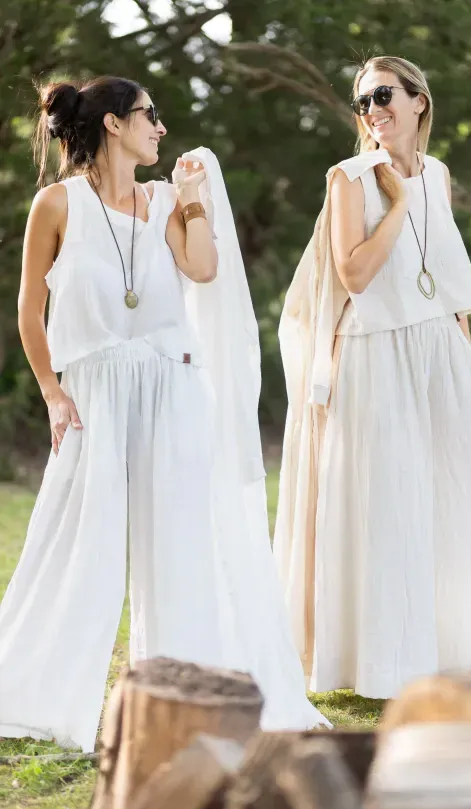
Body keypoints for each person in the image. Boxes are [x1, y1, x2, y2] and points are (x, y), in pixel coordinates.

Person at [0, 76, 330, 751]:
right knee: (77, 544)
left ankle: (182, 693)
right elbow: (29, 312)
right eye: (152, 115)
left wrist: (197, 202)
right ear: (115, 124)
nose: (161, 128)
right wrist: (54, 394)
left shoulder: (164, 199)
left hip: (172, 386)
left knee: (182, 544)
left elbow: (203, 269)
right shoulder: (55, 204)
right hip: (92, 391)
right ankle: (35, 693)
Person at [275, 56, 471, 700]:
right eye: (363, 102)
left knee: (451, 499)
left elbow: (442, 277)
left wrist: (461, 351)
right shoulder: (350, 178)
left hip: (438, 351)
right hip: (376, 355)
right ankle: (379, 665)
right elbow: (355, 273)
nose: (372, 111)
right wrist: (395, 205)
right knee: (388, 507)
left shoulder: (440, 175)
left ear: (420, 101)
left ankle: (451, 651)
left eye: (384, 95)